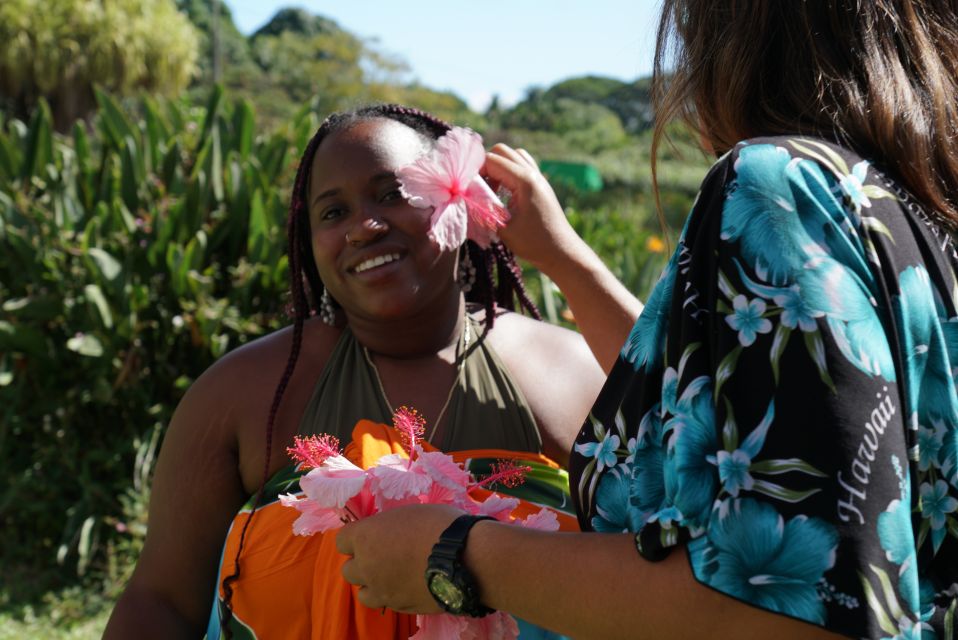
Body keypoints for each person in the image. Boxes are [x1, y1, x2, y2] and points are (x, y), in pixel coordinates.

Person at [335, 2, 958, 638]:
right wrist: (564, 257)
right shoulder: (911, 218)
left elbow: (789, 611)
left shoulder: (778, 187)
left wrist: (458, 554)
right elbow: (702, 401)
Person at [103, 104, 608, 638]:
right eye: (331, 212)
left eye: (393, 194)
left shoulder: (571, 372)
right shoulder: (241, 395)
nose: (363, 227)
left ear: (460, 197)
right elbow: (161, 602)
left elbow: (660, 574)